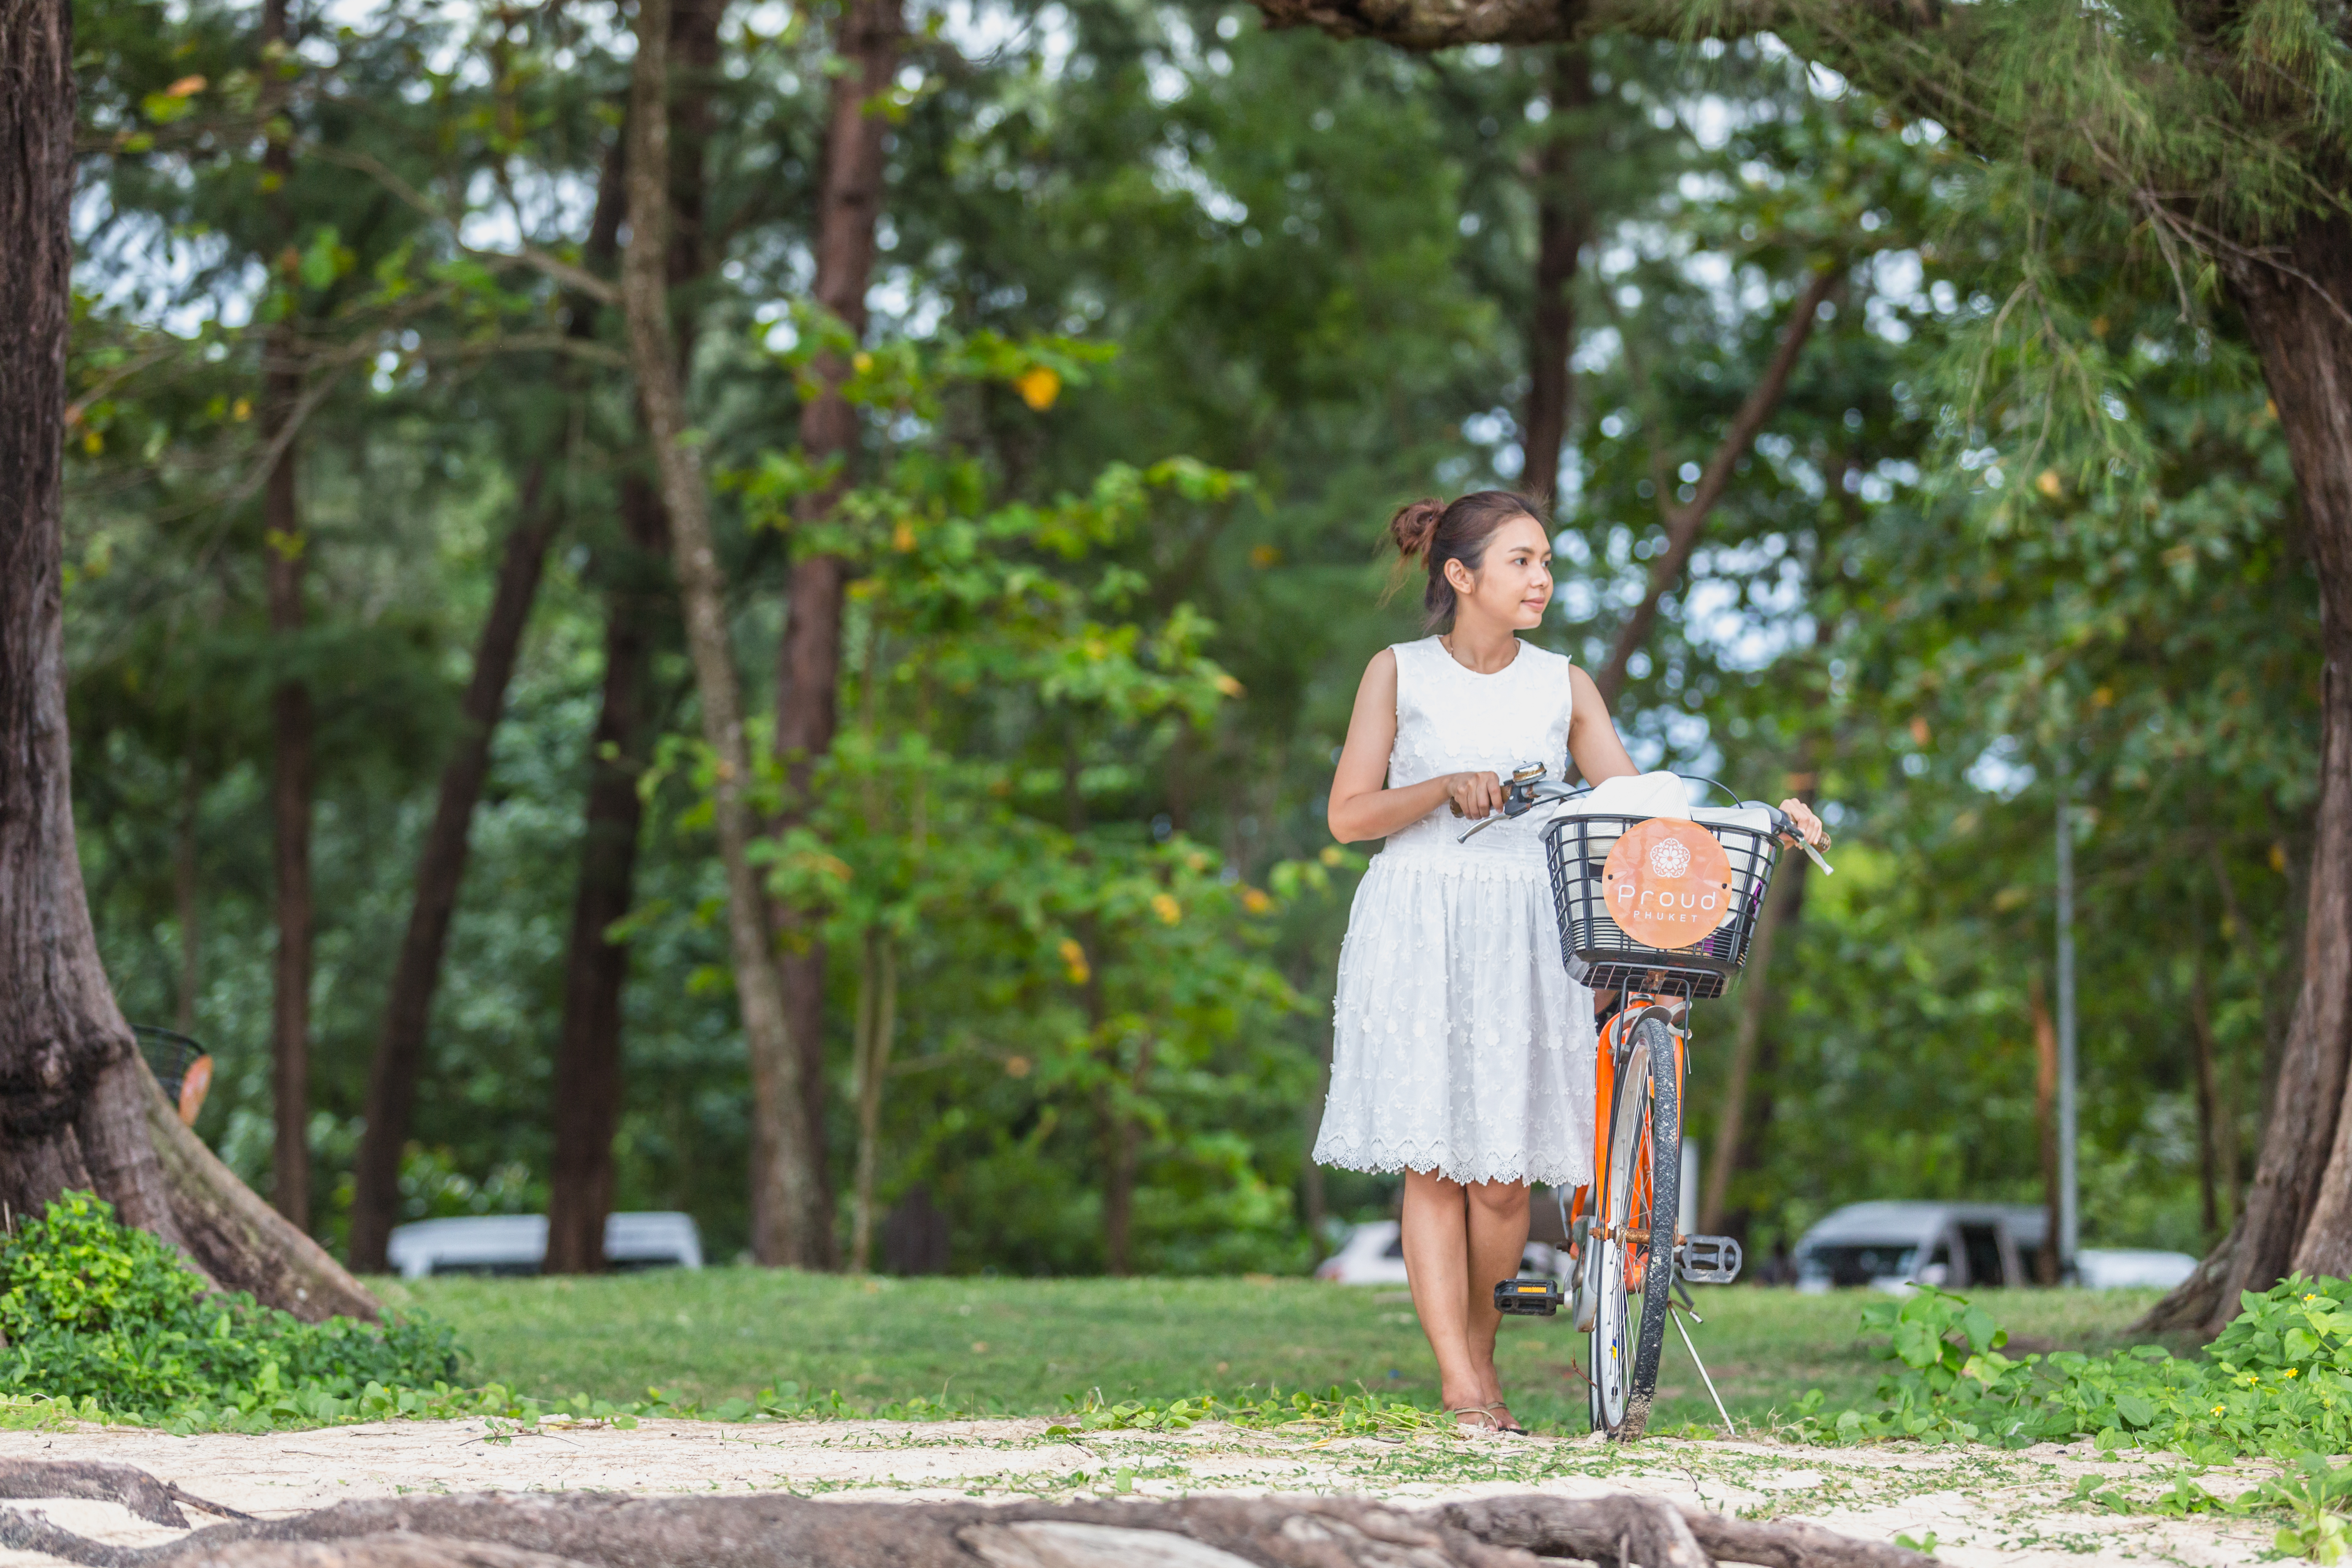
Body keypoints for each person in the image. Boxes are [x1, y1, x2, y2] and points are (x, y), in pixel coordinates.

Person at [1315, 490, 1823, 1434]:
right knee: (1433, 1162)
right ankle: (1462, 1382)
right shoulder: (1399, 672)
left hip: (1529, 925)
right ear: (1461, 575)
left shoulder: (1563, 684)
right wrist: (1439, 787)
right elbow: (1349, 815)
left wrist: (1762, 817)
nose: (1541, 577)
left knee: (1503, 1177)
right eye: (1521, 560)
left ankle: (1482, 1356)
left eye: (1546, 560)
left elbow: (1641, 805)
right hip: (1422, 915)